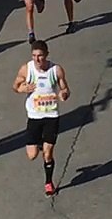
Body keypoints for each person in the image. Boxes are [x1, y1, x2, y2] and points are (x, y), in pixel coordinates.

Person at [13, 40, 71, 197]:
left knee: (48, 152)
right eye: (34, 56)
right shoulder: (27, 69)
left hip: (51, 116)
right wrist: (22, 89)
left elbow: (65, 88)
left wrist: (64, 94)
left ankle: (49, 182)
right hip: (34, 116)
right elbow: (15, 85)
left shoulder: (56, 70)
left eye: (40, 56)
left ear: (46, 55)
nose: (37, 59)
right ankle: (39, 142)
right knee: (32, 155)